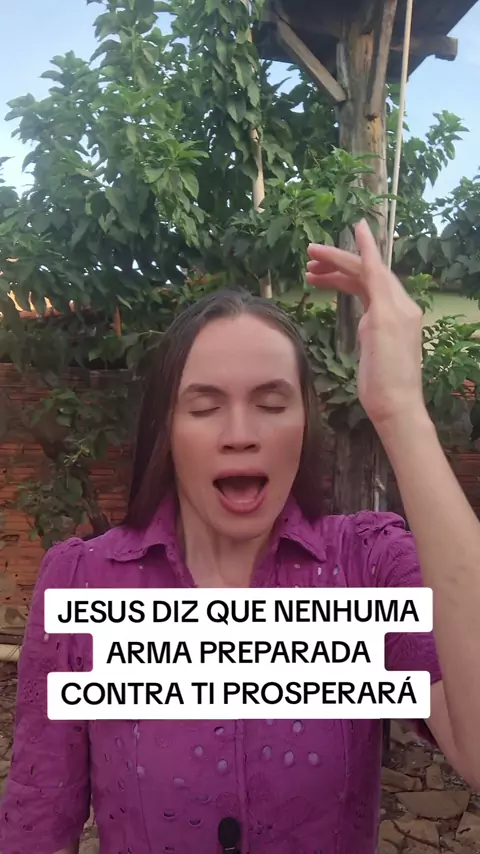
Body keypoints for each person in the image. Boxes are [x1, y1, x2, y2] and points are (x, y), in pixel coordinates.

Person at [1, 220, 479, 854]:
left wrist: (401, 410)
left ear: (305, 425)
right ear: (167, 431)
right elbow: (38, 824)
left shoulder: (367, 567)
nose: (240, 434)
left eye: (272, 404)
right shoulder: (83, 583)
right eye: (204, 408)